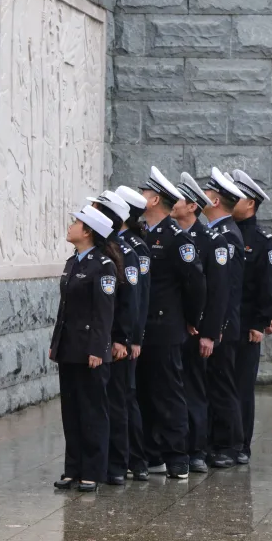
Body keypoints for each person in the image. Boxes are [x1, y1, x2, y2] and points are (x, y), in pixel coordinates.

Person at [136, 167, 206, 479]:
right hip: (140, 327)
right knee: (143, 393)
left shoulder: (178, 239)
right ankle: (152, 454)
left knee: (168, 393)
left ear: (154, 200)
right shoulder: (139, 234)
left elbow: (196, 284)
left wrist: (191, 320)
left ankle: (178, 454)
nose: (139, 197)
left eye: (144, 193)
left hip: (166, 328)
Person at [50, 205, 120, 492]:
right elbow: (64, 310)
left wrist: (98, 349)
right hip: (69, 348)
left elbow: (104, 313)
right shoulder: (73, 262)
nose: (71, 226)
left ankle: (92, 470)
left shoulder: (104, 266)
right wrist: (57, 345)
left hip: (90, 351)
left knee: (92, 411)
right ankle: (73, 468)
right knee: (71, 410)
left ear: (88, 231)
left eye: (76, 223)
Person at [172, 172, 229, 474]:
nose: (173, 204)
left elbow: (219, 292)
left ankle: (196, 449)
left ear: (193, 206)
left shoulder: (211, 242)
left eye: (178, 199)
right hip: (170, 327)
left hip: (197, 331)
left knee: (194, 389)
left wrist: (209, 333)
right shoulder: (170, 236)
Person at [89, 191, 140, 485]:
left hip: (115, 342)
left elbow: (129, 301)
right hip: (98, 339)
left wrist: (123, 338)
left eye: (95, 209)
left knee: (117, 403)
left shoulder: (124, 252)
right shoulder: (102, 249)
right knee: (101, 403)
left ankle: (118, 465)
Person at [229, 170, 272, 463]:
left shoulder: (261, 241)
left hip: (247, 326)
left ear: (250, 204)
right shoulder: (222, 232)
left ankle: (241, 444)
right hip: (224, 324)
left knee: (242, 388)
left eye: (237, 196)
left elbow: (268, 287)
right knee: (221, 386)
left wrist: (260, 322)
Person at [201, 168, 247, 468]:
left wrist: (215, 328)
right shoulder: (216, 232)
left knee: (222, 386)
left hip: (223, 327)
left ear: (216, 199)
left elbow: (224, 289)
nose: (201, 196)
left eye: (206, 192)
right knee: (214, 385)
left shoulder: (227, 235)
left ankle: (230, 446)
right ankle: (218, 442)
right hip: (219, 324)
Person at [116, 185, 153, 481]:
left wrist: (134, 338)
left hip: (128, 338)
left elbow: (138, 298)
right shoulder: (118, 242)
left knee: (126, 396)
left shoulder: (134, 248)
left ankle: (135, 459)